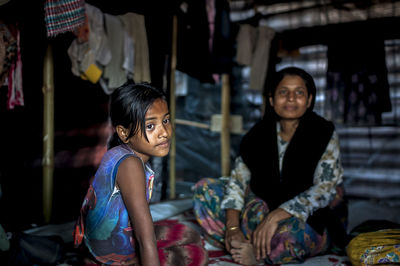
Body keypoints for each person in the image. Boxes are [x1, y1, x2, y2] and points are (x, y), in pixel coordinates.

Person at [193, 67, 348, 265]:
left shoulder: (323, 132)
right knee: (204, 190)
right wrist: (233, 228)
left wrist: (275, 216)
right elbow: (238, 181)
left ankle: (257, 254)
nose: (291, 98)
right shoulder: (257, 135)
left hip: (304, 217)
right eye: (283, 92)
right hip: (260, 208)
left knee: (291, 236)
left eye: (299, 93)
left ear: (309, 100)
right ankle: (239, 241)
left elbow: (324, 189)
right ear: (272, 99)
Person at [74, 82, 208, 266]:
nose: (164, 133)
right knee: (194, 254)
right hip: (110, 255)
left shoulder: (119, 153)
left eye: (166, 120)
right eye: (151, 126)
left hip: (94, 246)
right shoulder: (130, 165)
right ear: (124, 132)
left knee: (186, 233)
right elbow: (145, 238)